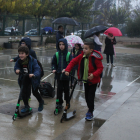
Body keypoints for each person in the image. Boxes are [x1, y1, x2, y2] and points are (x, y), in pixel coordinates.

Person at [65, 42, 103, 120]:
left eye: (86, 48)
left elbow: (100, 68)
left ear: (91, 50)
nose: (84, 50)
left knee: (90, 97)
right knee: (86, 97)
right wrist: (67, 70)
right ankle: (90, 108)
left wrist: (93, 74)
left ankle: (90, 111)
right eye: (83, 48)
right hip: (85, 80)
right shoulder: (81, 56)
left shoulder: (95, 58)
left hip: (93, 81)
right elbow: (73, 62)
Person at [14, 46, 44, 113]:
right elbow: (16, 67)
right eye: (19, 53)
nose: (21, 55)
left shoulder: (33, 60)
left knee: (35, 92)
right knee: (23, 92)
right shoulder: (19, 61)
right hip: (24, 78)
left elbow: (37, 69)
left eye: (22, 53)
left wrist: (34, 74)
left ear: (27, 54)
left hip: (33, 78)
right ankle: (27, 106)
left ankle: (41, 101)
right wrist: (17, 70)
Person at [52, 38, 72, 110]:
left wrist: (67, 69)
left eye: (63, 44)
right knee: (59, 91)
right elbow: (53, 63)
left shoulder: (69, 54)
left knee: (66, 90)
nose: (61, 46)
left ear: (65, 45)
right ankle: (59, 103)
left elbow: (71, 64)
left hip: (66, 76)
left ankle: (67, 103)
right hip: (58, 76)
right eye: (60, 44)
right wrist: (54, 68)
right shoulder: (56, 54)